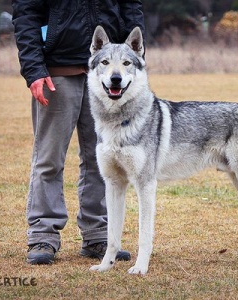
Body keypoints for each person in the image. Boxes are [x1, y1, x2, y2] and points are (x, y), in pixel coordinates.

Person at [12, 0, 145, 265]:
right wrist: (34, 70)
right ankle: (43, 235)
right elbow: (26, 14)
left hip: (108, 74)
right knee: (48, 159)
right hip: (57, 70)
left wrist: (134, 61)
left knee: (102, 159)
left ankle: (98, 234)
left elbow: (131, 9)